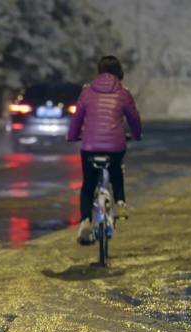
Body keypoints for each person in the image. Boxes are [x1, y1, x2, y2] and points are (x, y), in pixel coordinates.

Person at [67, 55, 142, 245]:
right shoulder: (124, 93)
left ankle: (85, 222)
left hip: (90, 146)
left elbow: (77, 119)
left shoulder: (87, 92)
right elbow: (134, 118)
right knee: (116, 169)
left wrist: (72, 135)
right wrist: (136, 135)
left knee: (88, 185)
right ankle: (120, 203)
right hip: (115, 145)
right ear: (119, 73)